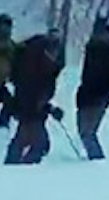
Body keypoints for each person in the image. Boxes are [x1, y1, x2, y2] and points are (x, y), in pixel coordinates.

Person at [5, 30, 66, 166]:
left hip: (30, 107)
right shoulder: (34, 64)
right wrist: (45, 108)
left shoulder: (40, 61)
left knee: (27, 140)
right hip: (29, 108)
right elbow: (33, 93)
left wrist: (48, 107)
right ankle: (19, 169)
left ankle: (14, 166)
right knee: (38, 143)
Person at [74, 15, 109, 161]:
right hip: (86, 95)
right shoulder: (91, 49)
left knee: (88, 133)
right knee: (83, 131)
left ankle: (97, 162)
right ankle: (95, 161)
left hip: (99, 96)